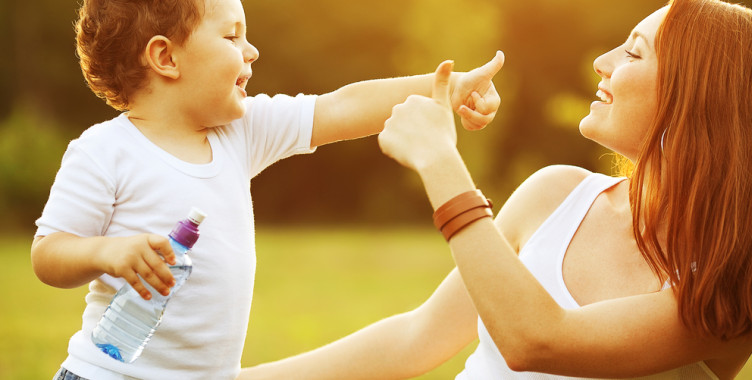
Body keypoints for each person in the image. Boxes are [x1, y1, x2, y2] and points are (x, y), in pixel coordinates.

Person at [238, 0, 752, 379]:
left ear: (696, 96)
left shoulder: (733, 279)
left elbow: (536, 341)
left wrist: (441, 163)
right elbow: (416, 339)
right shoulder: (556, 195)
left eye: (635, 55)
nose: (603, 61)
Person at [30, 0, 504, 378]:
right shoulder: (103, 151)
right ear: (165, 57)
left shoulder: (240, 131)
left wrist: (452, 86)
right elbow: (49, 254)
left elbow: (341, 107)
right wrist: (106, 254)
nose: (251, 50)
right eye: (232, 35)